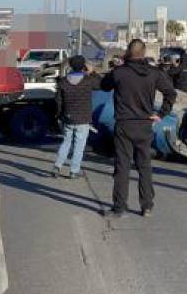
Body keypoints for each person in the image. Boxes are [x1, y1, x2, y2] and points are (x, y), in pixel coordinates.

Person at [101, 39, 177, 217]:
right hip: (145, 124)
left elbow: (104, 86)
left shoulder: (119, 72)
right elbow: (171, 93)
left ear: (128, 52)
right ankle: (147, 206)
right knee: (144, 166)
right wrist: (161, 114)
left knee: (122, 167)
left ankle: (119, 207)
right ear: (143, 53)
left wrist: (117, 66)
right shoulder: (154, 73)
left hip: (124, 124)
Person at [52, 55, 102, 178]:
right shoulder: (88, 80)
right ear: (84, 66)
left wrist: (59, 115)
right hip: (83, 118)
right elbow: (101, 84)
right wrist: (93, 72)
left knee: (66, 142)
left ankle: (57, 166)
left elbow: (58, 101)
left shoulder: (63, 82)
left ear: (70, 66)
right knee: (79, 145)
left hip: (68, 117)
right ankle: (74, 171)